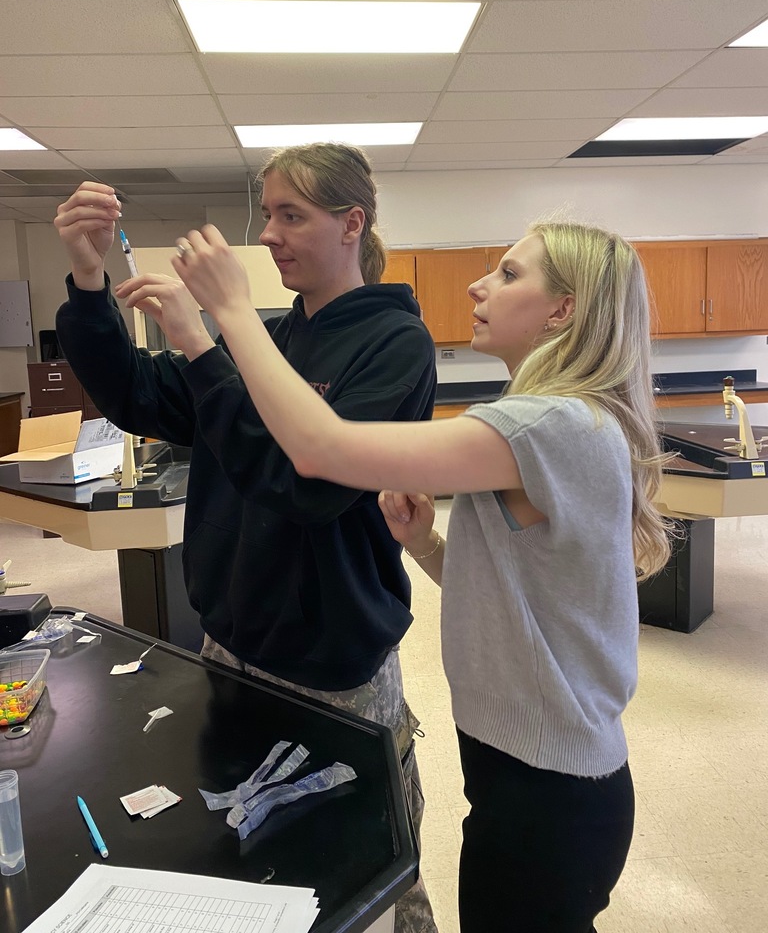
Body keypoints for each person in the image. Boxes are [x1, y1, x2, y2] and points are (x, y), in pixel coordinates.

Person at [163, 217, 673, 933]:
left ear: (563, 310)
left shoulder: (547, 423)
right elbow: (532, 601)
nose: (479, 284)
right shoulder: (565, 424)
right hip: (527, 776)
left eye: (509, 273)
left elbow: (319, 448)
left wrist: (229, 315)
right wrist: (427, 543)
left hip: (549, 792)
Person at [53, 143, 439, 933]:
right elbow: (133, 394)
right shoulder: (263, 335)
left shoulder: (394, 345)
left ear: (351, 223)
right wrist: (89, 278)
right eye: (267, 214)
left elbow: (310, 485)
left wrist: (203, 340)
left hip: (334, 663)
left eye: (292, 215)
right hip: (230, 646)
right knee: (255, 861)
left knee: (365, 870)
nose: (269, 234)